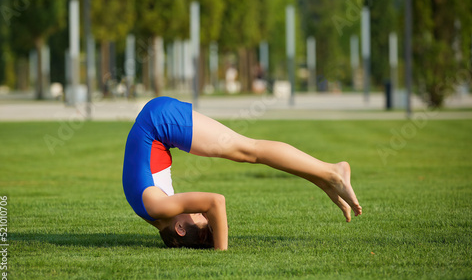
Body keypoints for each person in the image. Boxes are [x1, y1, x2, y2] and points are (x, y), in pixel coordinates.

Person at [122, 96, 362, 251]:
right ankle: (325, 179)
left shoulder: (158, 208)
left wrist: (221, 251)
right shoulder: (155, 215)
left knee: (249, 150)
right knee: (248, 151)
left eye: (198, 217)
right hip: (158, 124)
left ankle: (332, 172)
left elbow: (216, 202)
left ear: (181, 229)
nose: (199, 211)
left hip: (160, 122)